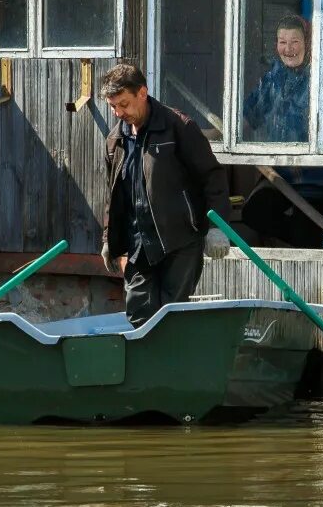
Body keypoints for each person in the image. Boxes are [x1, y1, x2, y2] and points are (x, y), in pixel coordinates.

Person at [99, 64, 232, 327]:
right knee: (139, 318)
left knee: (171, 317)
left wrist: (218, 228)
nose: (119, 113)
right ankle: (149, 368)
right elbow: (114, 196)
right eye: (113, 107)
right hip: (138, 244)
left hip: (180, 241)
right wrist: (108, 238)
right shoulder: (115, 140)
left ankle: (173, 367)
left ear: (143, 93)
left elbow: (212, 177)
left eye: (123, 104)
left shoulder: (178, 127)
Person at [241, 14, 323, 248]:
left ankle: (312, 241)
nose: (288, 49)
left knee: (303, 236)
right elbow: (250, 114)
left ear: (307, 42)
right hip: (281, 175)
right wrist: (217, 134)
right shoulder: (275, 76)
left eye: (294, 42)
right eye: (282, 42)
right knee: (254, 212)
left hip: (319, 179)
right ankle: (311, 239)